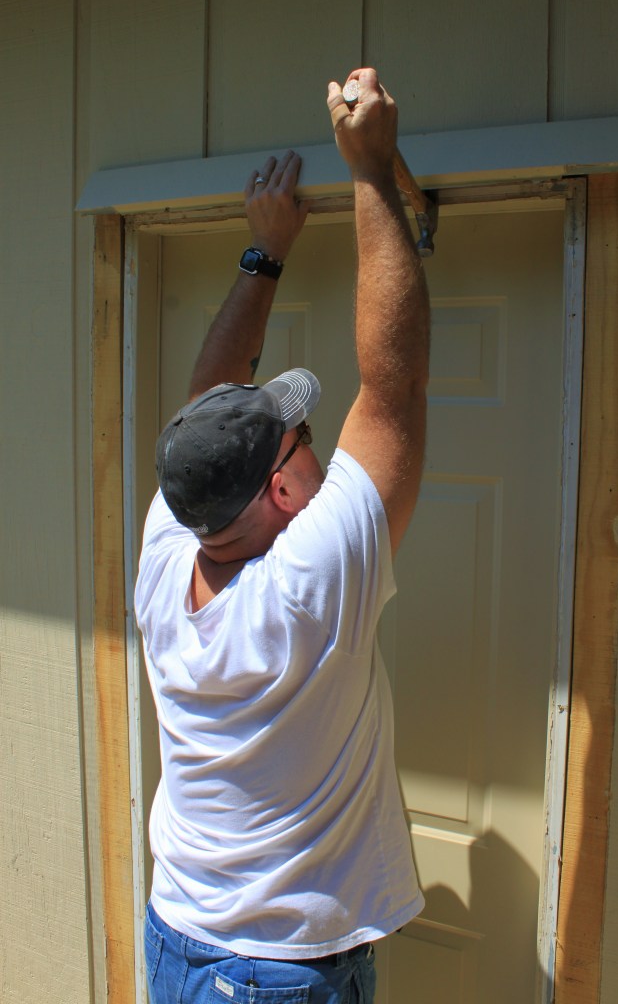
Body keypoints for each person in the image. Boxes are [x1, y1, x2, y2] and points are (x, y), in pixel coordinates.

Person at [135, 67, 430, 1004]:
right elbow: (392, 395)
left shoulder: (171, 543)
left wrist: (264, 254)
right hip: (272, 977)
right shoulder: (307, 582)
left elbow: (203, 414)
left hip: (178, 934)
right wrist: (371, 171)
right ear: (277, 486)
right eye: (304, 437)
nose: (319, 436)